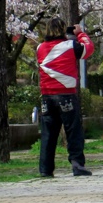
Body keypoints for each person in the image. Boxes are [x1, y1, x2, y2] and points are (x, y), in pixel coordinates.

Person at [36, 17, 95, 177]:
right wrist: (81, 34)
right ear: (63, 30)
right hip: (66, 95)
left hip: (47, 96)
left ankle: (45, 169)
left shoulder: (40, 47)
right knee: (73, 131)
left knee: (48, 134)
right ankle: (77, 165)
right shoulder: (70, 46)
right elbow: (88, 49)